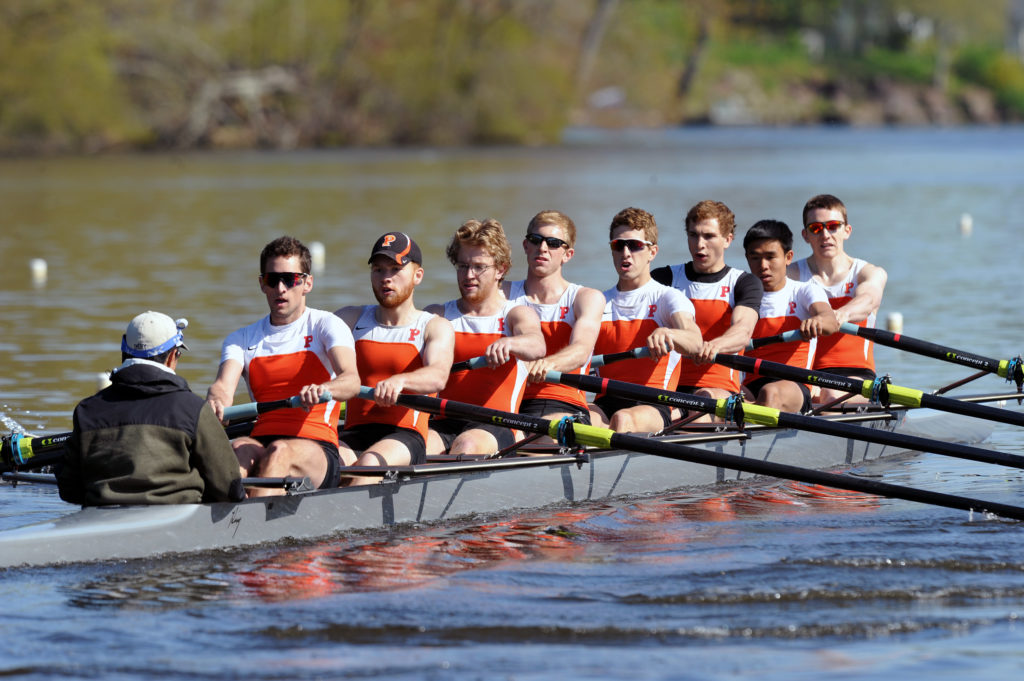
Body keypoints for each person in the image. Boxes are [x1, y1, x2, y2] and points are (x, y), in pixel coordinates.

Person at [207, 236, 360, 496]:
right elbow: (223, 387)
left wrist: (324, 388)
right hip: (262, 439)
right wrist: (216, 401)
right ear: (261, 284)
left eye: (289, 280)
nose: (280, 288)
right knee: (233, 452)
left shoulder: (326, 325)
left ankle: (249, 526)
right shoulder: (241, 338)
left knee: (280, 451)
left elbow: (351, 380)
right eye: (272, 280)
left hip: (318, 446)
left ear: (307, 283)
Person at [58, 311, 243, 506]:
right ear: (173, 356)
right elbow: (230, 490)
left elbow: (69, 489)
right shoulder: (193, 409)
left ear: (124, 351)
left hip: (100, 521)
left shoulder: (87, 410)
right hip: (176, 524)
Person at [335, 232, 454, 485]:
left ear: (417, 276)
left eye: (395, 269)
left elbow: (438, 375)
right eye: (378, 269)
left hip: (406, 437)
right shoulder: (349, 319)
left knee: (367, 465)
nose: (385, 278)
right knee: (325, 462)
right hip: (354, 431)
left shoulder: (433, 326)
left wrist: (400, 381)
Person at [424, 219, 546, 456]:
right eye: (462, 266)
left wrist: (510, 343)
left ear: (500, 269)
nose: (469, 275)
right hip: (444, 421)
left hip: (497, 424)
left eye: (479, 267)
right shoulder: (437, 314)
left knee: (467, 445)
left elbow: (537, 345)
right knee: (421, 446)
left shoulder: (516, 314)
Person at [590, 208, 703, 433]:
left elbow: (695, 342)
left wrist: (670, 334)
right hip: (605, 402)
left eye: (635, 245)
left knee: (622, 420)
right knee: (572, 420)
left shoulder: (668, 297)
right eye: (618, 245)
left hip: (654, 402)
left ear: (652, 252)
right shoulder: (597, 302)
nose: (625, 252)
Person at [652, 200, 763, 402]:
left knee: (702, 399)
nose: (699, 244)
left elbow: (743, 331)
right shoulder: (664, 278)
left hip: (717, 389)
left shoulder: (744, 283)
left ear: (728, 240)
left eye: (709, 236)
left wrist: (714, 346)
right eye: (693, 235)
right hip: (666, 387)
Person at [505, 210, 605, 425]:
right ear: (525, 245)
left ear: (567, 254)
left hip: (561, 402)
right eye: (536, 240)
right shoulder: (502, 294)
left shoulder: (585, 298)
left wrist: (545, 364)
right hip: (507, 401)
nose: (542, 248)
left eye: (553, 243)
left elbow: (581, 350)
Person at [787, 194, 887, 404]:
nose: (825, 234)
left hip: (856, 376)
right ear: (805, 235)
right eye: (816, 228)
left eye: (833, 226)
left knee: (830, 395)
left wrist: (838, 316)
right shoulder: (791, 275)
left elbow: (868, 299)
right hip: (808, 376)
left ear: (847, 231)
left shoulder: (868, 273)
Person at [743, 219, 839, 412]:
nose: (763, 265)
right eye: (755, 258)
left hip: (794, 385)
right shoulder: (740, 294)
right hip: (748, 385)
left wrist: (817, 321)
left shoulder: (804, 292)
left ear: (788, 257)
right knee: (716, 394)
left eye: (771, 257)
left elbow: (831, 322)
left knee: (770, 393)